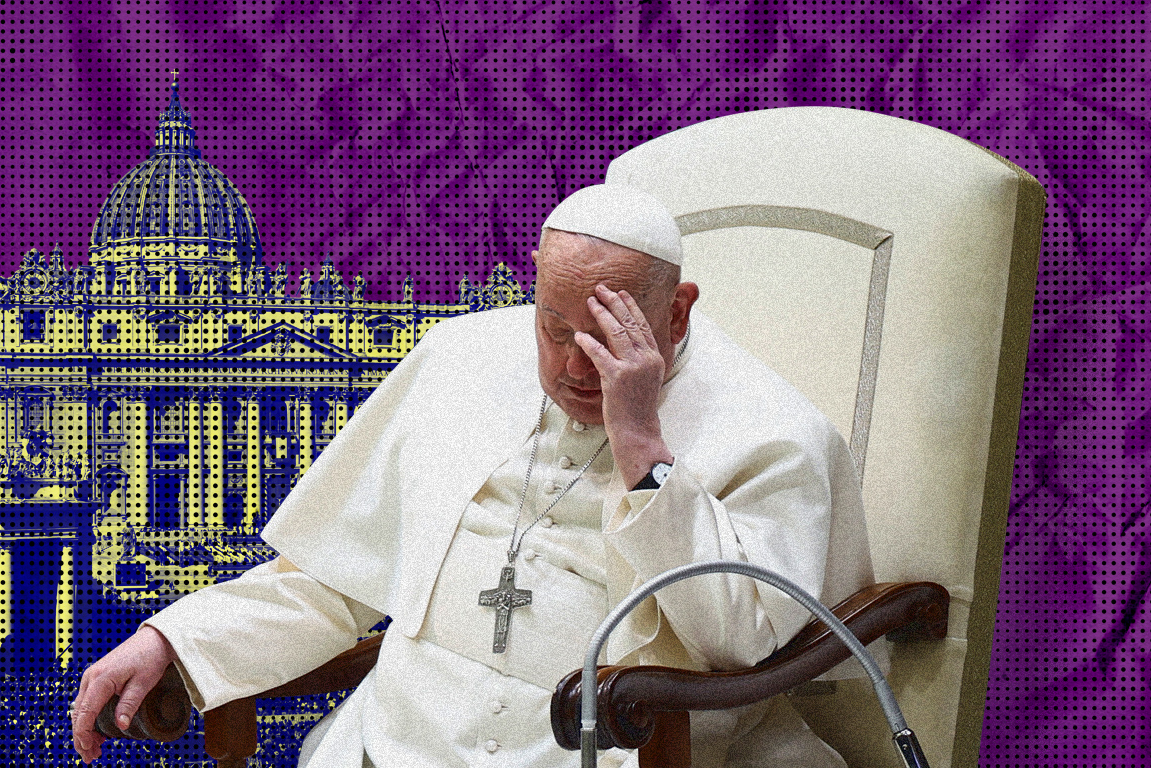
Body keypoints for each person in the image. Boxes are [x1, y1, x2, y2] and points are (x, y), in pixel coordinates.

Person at [71, 184, 875, 767]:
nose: (572, 368)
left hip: (618, 746)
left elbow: (739, 643)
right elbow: (333, 582)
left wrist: (640, 443)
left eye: (604, 336)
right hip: (402, 739)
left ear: (677, 311)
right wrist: (176, 637)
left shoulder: (775, 430)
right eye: (552, 329)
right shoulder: (458, 356)